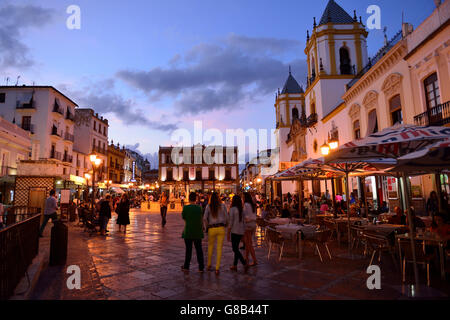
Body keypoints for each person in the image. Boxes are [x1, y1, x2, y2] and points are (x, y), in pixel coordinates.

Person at [203, 192, 228, 275]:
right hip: (221, 228)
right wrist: (226, 224)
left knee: (210, 247)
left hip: (212, 228)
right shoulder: (223, 205)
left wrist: (206, 227)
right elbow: (226, 217)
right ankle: (217, 268)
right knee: (219, 248)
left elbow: (204, 218)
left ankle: (209, 265)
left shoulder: (208, 206)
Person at [181, 192, 205, 273]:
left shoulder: (185, 208)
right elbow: (201, 218)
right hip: (198, 232)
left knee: (188, 250)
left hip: (188, 231)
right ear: (196, 199)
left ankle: (186, 266)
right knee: (199, 250)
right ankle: (201, 267)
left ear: (189, 198)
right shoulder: (199, 208)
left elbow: (184, 218)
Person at [228, 195, 248, 272]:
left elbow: (231, 222)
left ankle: (243, 262)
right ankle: (235, 265)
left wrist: (228, 233)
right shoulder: (241, 210)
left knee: (234, 248)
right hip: (240, 231)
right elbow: (244, 222)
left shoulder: (232, 209)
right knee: (236, 248)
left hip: (234, 231)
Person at [243, 192, 257, 267]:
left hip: (248, 224)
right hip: (253, 224)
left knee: (248, 243)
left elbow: (244, 215)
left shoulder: (246, 205)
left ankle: (254, 260)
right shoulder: (253, 205)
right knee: (247, 242)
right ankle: (246, 258)